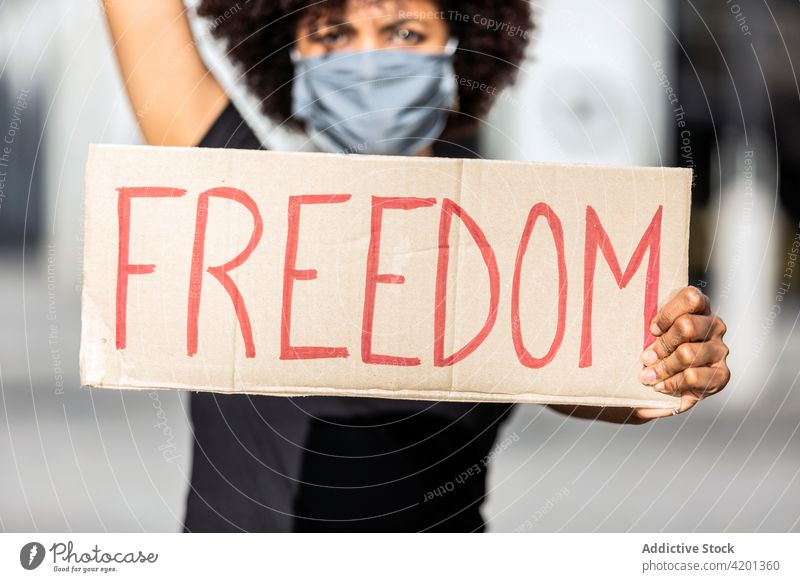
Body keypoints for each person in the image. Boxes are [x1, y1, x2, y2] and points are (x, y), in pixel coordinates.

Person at [103, 0, 731, 532]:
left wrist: (664, 361)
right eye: (334, 33)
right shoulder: (236, 207)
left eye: (405, 33)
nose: (369, 61)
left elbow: (594, 369)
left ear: (459, 54)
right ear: (285, 53)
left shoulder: (507, 238)